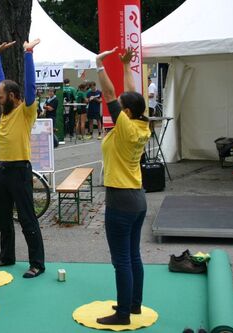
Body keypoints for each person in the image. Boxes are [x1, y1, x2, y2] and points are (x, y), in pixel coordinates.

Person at [95, 47, 151, 325]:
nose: (116, 103)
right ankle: (134, 305)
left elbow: (108, 94)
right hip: (138, 200)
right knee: (133, 255)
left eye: (121, 105)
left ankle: (123, 314)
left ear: (125, 112)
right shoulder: (142, 124)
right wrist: (127, 67)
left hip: (120, 202)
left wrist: (99, 66)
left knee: (122, 261)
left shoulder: (125, 126)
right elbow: (133, 96)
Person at [0, 39, 45, 279]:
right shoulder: (6, 110)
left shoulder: (25, 110)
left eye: (1, 97)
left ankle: (37, 264)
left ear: (12, 96)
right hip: (2, 169)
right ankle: (7, 256)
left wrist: (28, 54)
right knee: (1, 216)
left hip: (20, 170)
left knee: (26, 218)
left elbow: (30, 86)